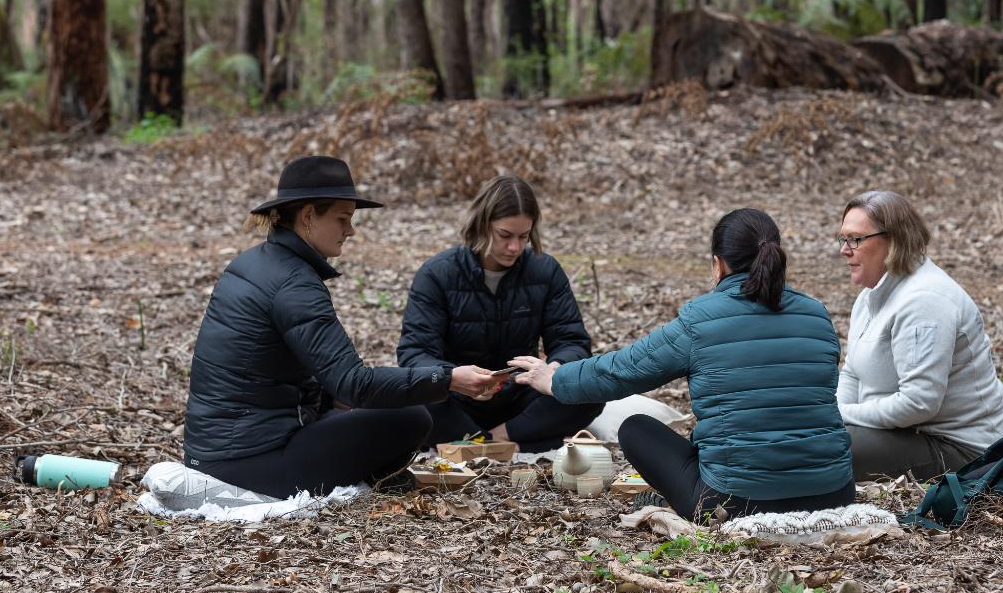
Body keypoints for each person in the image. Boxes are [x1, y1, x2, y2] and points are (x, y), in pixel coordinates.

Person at [511, 209, 855, 522]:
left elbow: (623, 370)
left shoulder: (701, 320)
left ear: (718, 264)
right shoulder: (817, 315)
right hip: (833, 494)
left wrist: (555, 380)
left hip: (733, 502)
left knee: (635, 428)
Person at [183, 156, 497, 499]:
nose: (351, 230)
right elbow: (354, 383)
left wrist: (332, 399)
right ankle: (379, 477)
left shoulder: (254, 263)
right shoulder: (294, 284)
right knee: (412, 418)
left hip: (212, 454)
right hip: (248, 463)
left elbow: (277, 369)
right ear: (308, 216)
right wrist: (448, 379)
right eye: (342, 219)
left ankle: (380, 475)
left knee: (367, 407)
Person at [397, 176, 601, 452]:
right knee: (406, 396)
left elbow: (571, 341)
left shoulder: (545, 270)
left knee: (591, 387)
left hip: (521, 396)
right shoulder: (437, 274)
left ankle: (492, 440)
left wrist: (555, 368)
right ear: (481, 225)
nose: (515, 247)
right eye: (505, 235)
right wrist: (454, 378)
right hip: (456, 399)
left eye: (524, 236)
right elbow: (415, 353)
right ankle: (511, 443)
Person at [836, 190, 1003, 481]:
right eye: (843, 238)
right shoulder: (871, 296)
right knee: (812, 437)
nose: (844, 249)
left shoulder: (925, 301)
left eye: (856, 239)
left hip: (961, 451)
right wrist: (834, 415)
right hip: (903, 433)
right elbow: (853, 371)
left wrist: (842, 416)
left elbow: (918, 404)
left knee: (822, 449)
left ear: (894, 241)